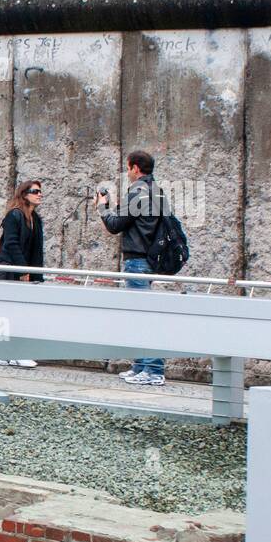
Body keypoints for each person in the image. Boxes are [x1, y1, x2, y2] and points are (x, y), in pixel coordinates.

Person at [97, 150, 167, 386]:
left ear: (135, 168)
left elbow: (115, 225)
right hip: (149, 259)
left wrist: (103, 208)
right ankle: (141, 367)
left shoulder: (138, 191)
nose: (128, 173)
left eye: (128, 168)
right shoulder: (155, 190)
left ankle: (154, 370)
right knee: (140, 315)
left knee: (142, 317)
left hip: (137, 260)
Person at [0, 179, 46, 370]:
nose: (39, 194)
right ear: (24, 194)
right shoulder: (14, 216)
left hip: (26, 272)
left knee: (19, 312)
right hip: (11, 271)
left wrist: (36, 275)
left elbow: (36, 250)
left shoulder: (36, 219)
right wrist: (23, 270)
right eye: (35, 191)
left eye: (40, 192)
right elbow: (11, 244)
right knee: (13, 313)